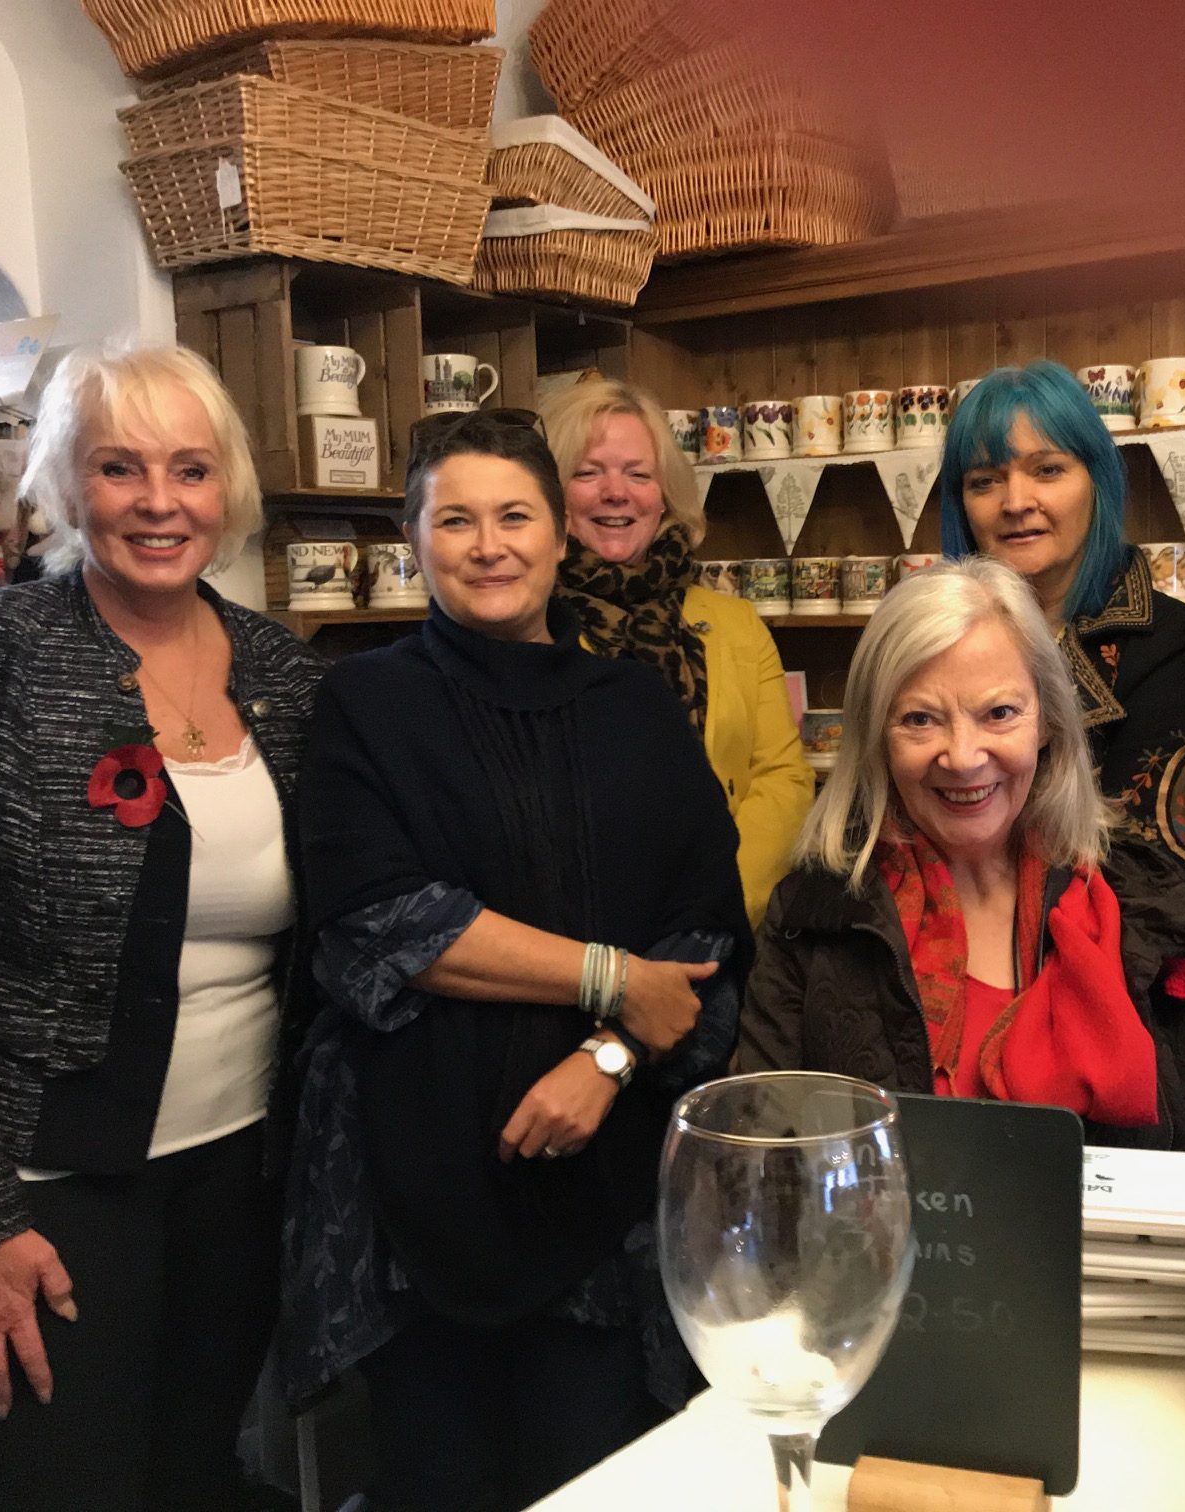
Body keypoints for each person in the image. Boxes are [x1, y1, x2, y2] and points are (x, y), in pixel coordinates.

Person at [0, 343, 324, 1511]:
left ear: (227, 491)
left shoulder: (283, 672)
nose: (160, 501)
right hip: (37, 1192)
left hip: (240, 1178)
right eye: (120, 467)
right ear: (67, 484)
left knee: (196, 1478)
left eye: (190, 470)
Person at [284, 411, 748, 1512]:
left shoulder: (636, 705)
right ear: (412, 538)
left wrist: (608, 1059)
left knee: (597, 1473)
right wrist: (612, 981)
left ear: (559, 533)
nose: (488, 546)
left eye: (514, 516)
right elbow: (382, 920)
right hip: (416, 1190)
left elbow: (705, 928)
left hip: (604, 1189)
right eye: (455, 521)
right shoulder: (363, 700)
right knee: (435, 1481)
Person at [736, 557, 1185, 1237]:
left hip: (1128, 1298)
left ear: (1048, 720)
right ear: (876, 739)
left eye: (999, 713)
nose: (963, 756)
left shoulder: (1149, 907)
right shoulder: (815, 919)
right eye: (920, 720)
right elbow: (761, 1158)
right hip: (889, 1299)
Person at [543, 379, 814, 925]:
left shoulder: (736, 624)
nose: (616, 492)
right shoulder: (528, 627)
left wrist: (714, 902)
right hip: (582, 935)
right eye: (588, 472)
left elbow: (784, 779)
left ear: (665, 493)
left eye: (638, 474)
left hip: (726, 924)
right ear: (547, 494)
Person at [939, 360, 1185, 875]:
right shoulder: (930, 646)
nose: (1015, 502)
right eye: (985, 481)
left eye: (1047, 470)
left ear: (1097, 482)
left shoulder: (1177, 649)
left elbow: (1154, 878)